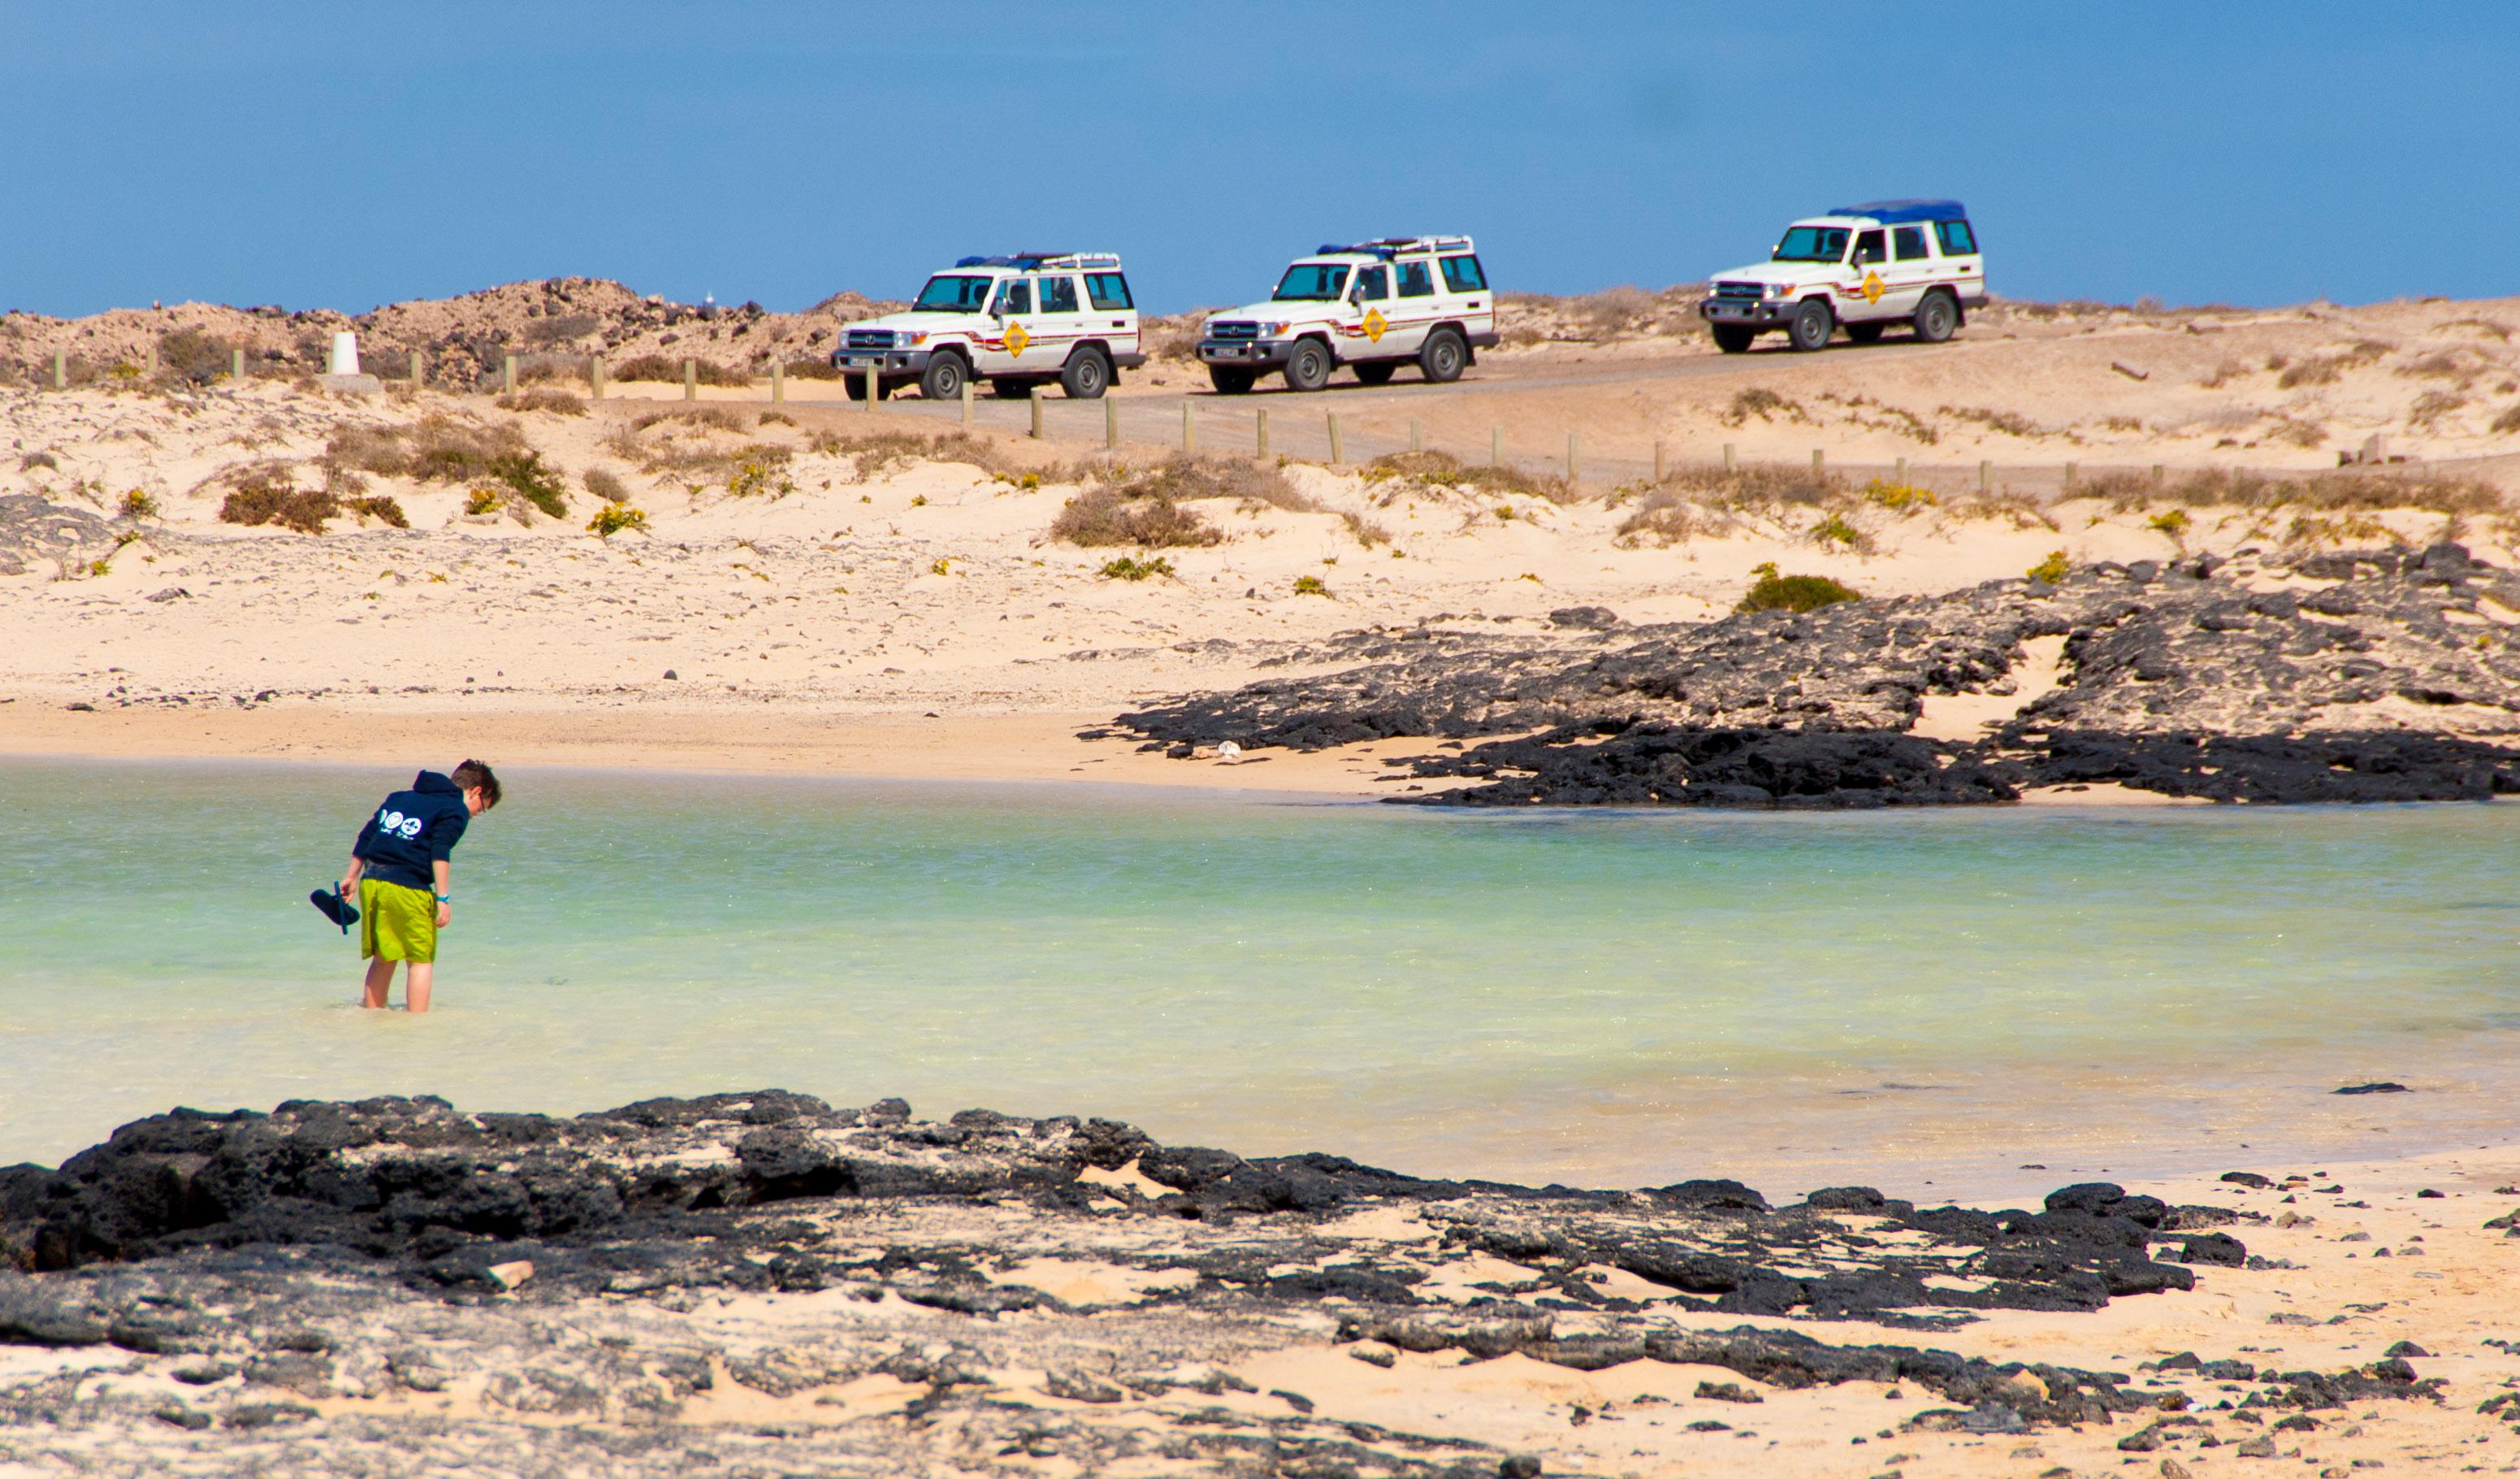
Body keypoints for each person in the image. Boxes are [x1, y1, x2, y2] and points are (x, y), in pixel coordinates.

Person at [336, 761, 500, 1013]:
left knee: (384, 957)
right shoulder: (454, 809)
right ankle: (417, 1027)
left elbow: (368, 834)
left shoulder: (399, 798)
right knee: (420, 961)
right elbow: (440, 850)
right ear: (476, 792)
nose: (474, 815)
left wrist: (351, 876)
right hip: (408, 888)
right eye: (480, 810)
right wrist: (443, 898)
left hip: (372, 882)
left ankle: (373, 1019)